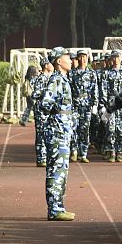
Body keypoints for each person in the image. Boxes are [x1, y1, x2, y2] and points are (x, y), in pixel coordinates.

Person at [41, 47, 76, 220]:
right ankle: (54, 209)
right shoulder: (56, 80)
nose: (71, 60)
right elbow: (45, 103)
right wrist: (57, 117)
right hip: (57, 131)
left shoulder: (63, 79)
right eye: (67, 58)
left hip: (63, 130)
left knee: (61, 170)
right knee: (57, 169)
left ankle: (58, 206)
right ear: (59, 61)